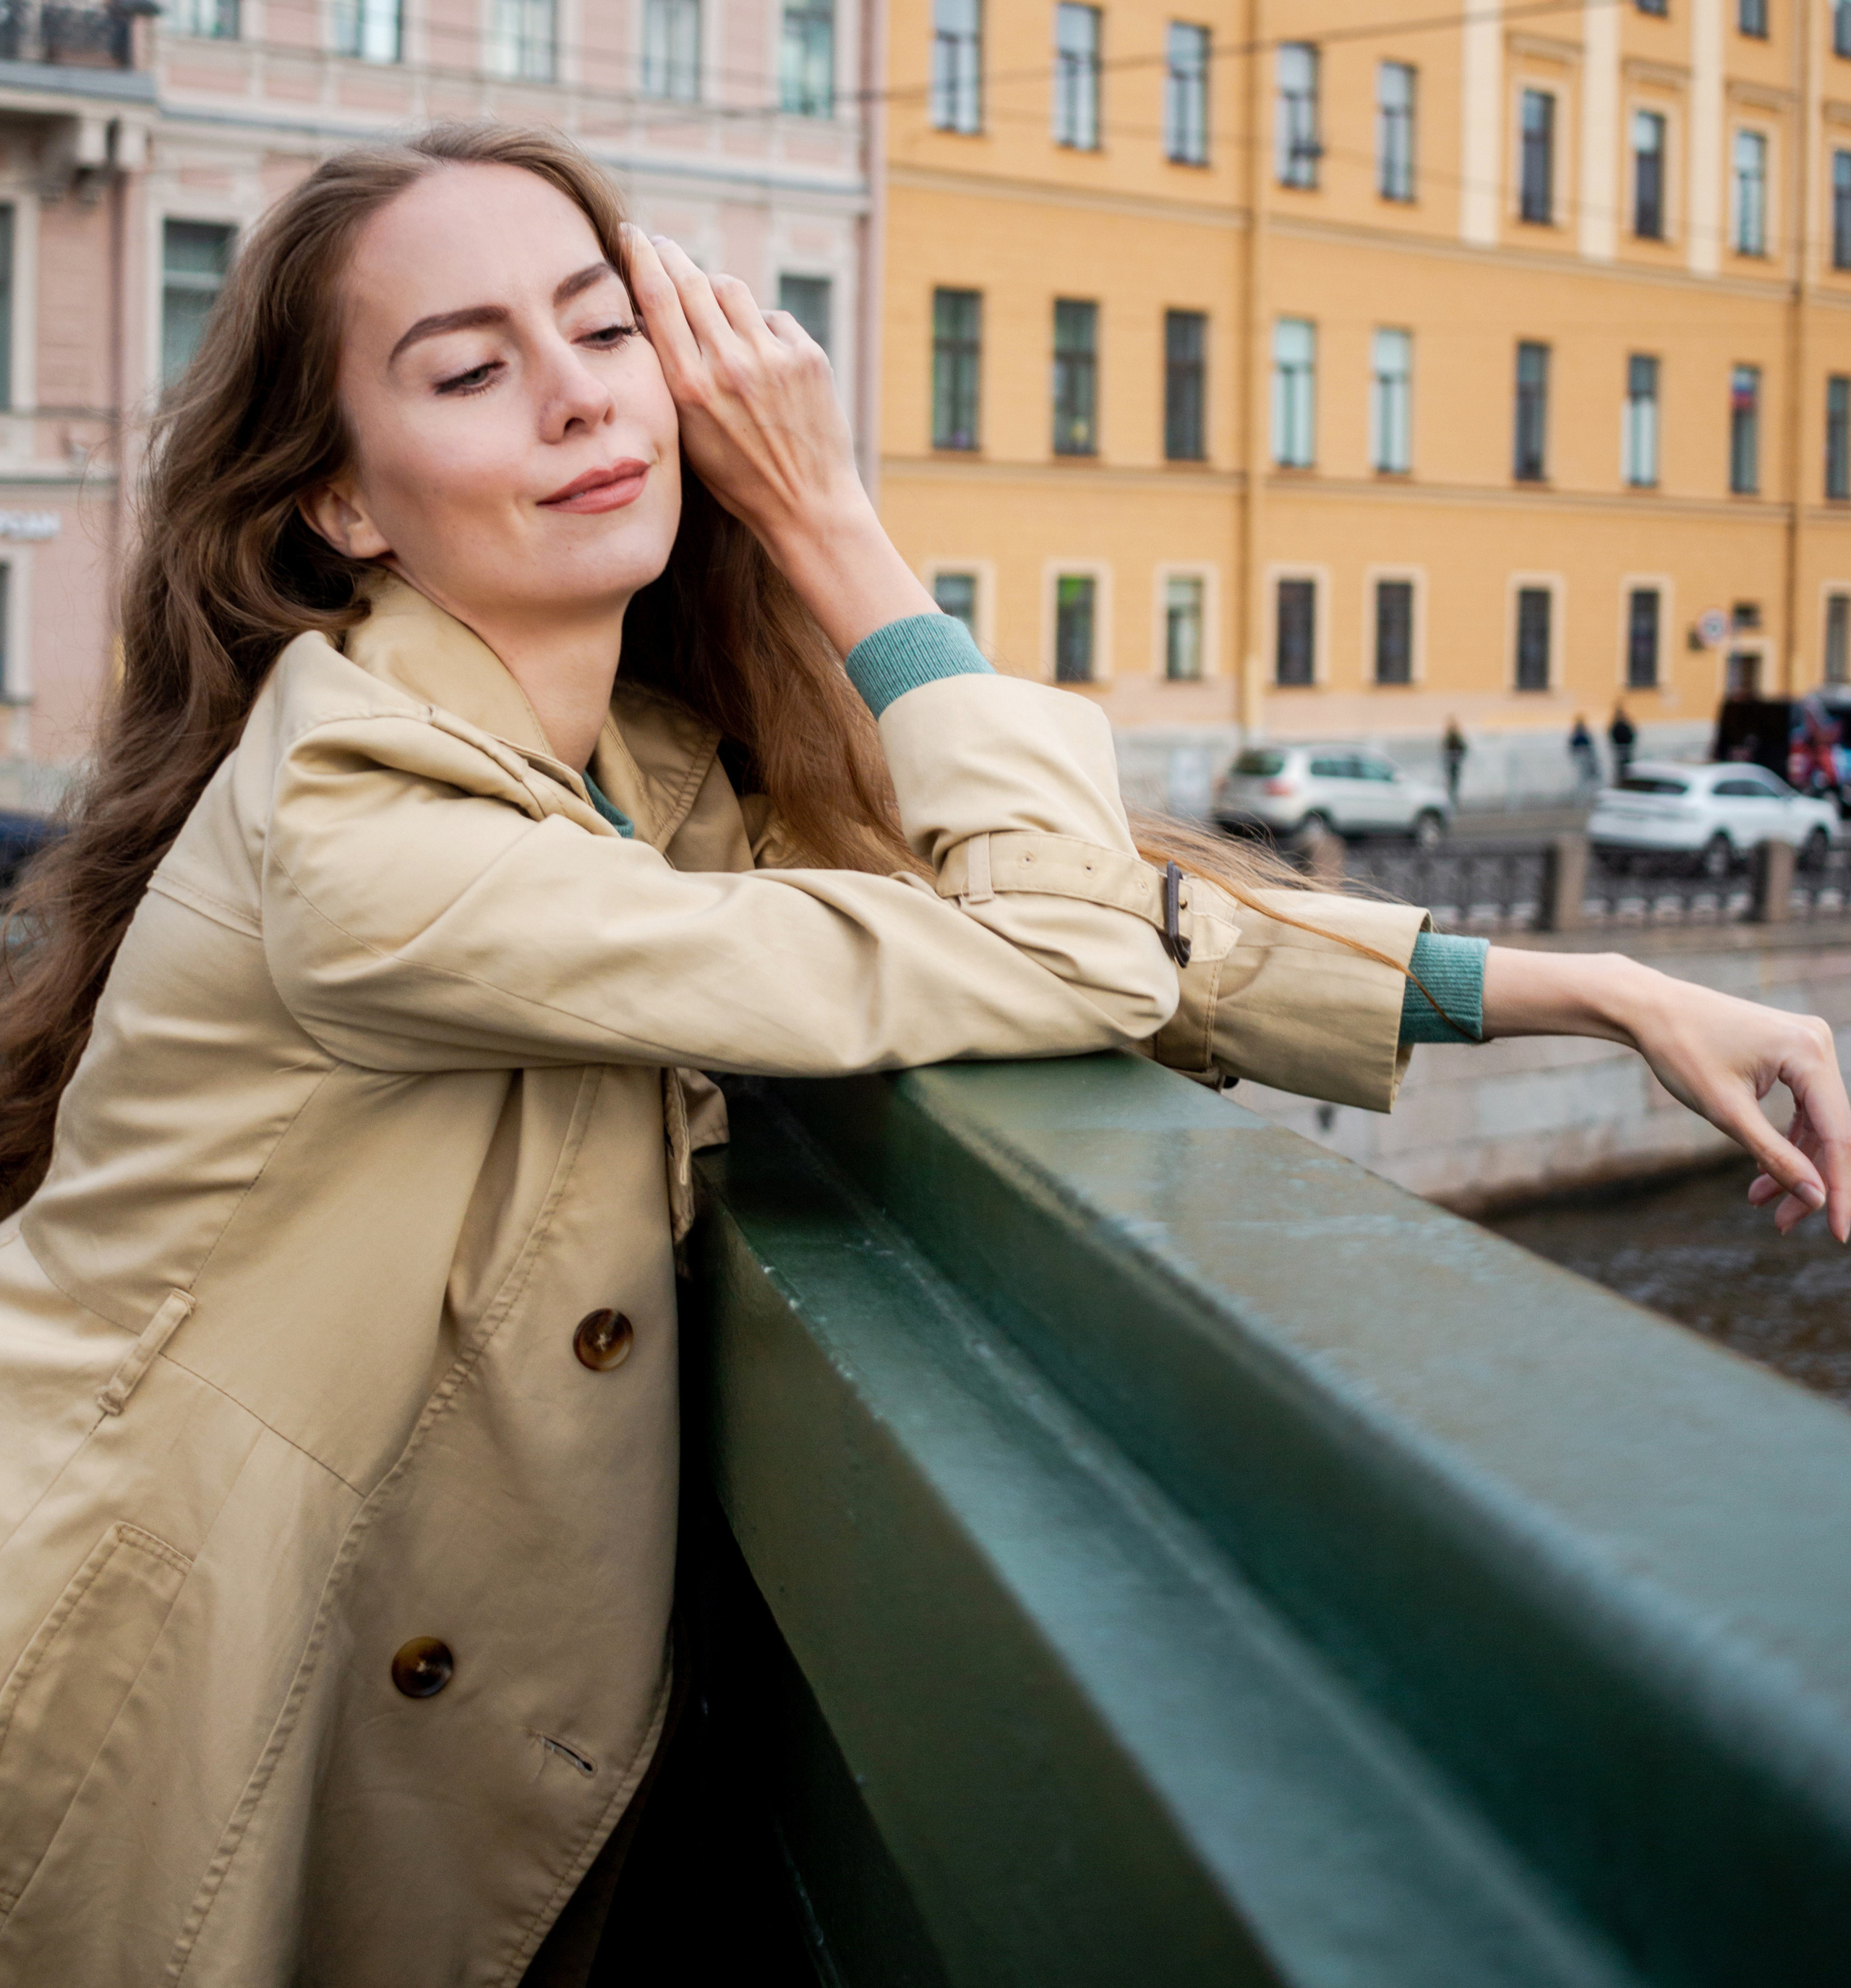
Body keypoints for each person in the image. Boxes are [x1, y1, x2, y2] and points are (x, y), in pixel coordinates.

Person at [0, 126, 1845, 1988]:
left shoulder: (633, 768)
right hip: (135, 1676)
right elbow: (1048, 951)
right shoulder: (359, 828)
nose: (578, 400)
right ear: (344, 503)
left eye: (606, 330)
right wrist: (831, 527)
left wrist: (1584, 985)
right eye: (474, 370)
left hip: (345, 1662)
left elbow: (1098, 934)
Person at [1569, 715, 1600, 793]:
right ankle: (1584, 790)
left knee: (1588, 774)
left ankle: (1589, 790)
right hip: (1583, 756)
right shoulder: (1579, 733)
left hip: (1586, 756)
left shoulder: (1581, 732)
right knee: (1584, 775)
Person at [1609, 703, 1638, 780]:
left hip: (1624, 747)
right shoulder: (1618, 724)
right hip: (1621, 747)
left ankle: (1627, 780)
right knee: (1621, 766)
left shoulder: (1621, 724)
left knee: (1626, 766)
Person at [1442, 717, 1468, 806]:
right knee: (1452, 782)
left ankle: (1453, 800)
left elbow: (1463, 747)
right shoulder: (1451, 737)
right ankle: (1452, 800)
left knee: (1453, 783)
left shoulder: (1455, 737)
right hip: (1452, 763)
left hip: (1454, 763)